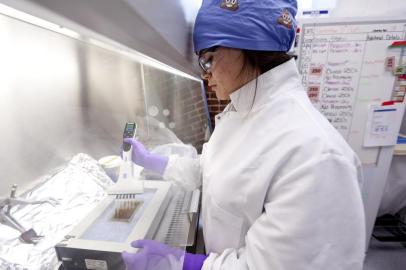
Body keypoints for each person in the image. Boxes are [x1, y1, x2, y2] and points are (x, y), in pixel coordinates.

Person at [121, 0, 366, 269]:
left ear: (247, 45)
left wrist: (185, 264)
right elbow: (212, 172)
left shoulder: (315, 155)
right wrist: (158, 163)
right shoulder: (240, 114)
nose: (206, 75)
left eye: (209, 59)